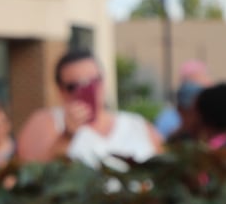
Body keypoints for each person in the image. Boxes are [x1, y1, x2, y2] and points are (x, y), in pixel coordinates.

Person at [16, 47, 163, 165]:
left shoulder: (136, 124)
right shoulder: (47, 121)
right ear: (61, 91)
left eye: (94, 81)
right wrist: (66, 137)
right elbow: (31, 176)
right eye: (74, 86)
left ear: (104, 81)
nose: (88, 90)